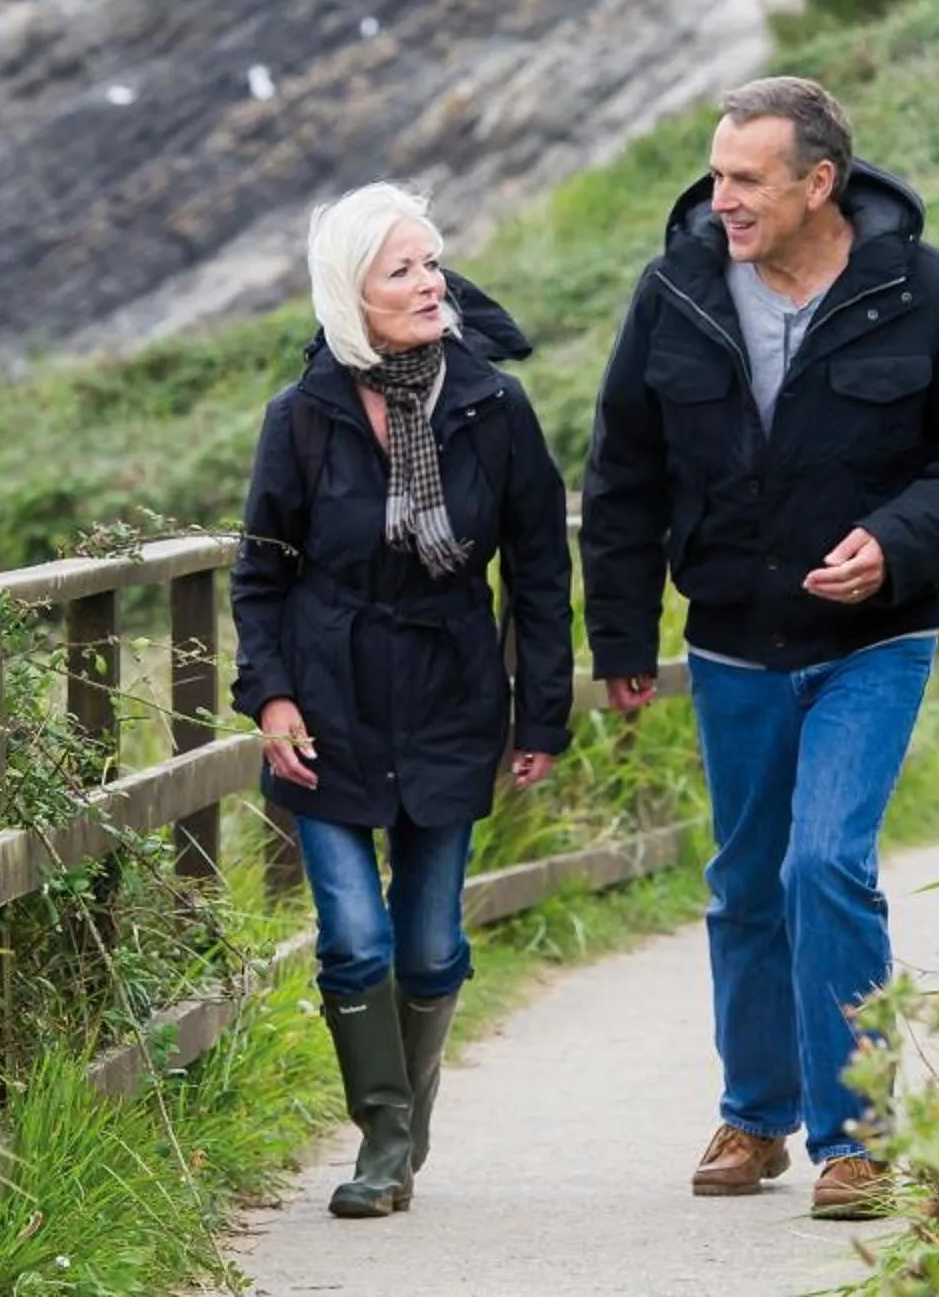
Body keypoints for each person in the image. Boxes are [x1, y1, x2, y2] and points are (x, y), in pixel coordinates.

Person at [580, 76, 939, 1220]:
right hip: (734, 643)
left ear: (817, 182)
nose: (719, 197)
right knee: (744, 878)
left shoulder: (927, 294)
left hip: (873, 640)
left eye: (745, 178)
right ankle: (755, 1114)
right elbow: (623, 476)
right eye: (718, 172)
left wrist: (893, 541)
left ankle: (858, 1136)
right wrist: (625, 636)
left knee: (822, 862)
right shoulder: (674, 293)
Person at [230, 180, 575, 1220]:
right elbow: (261, 573)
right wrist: (271, 697)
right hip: (328, 707)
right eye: (403, 270)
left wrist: (542, 714)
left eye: (433, 263)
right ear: (351, 292)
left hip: (450, 694)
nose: (431, 283)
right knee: (356, 940)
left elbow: (539, 571)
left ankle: (401, 1132)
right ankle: (385, 1139)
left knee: (428, 945)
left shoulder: (493, 405)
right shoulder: (301, 418)